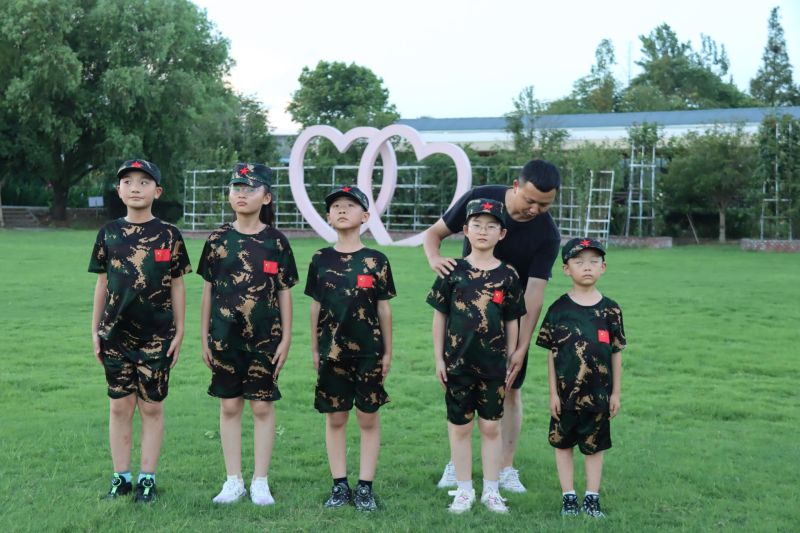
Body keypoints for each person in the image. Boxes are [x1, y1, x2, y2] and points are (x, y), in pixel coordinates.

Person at [423, 159, 561, 492]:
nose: (535, 209)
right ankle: (457, 465)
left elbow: (534, 295)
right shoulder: (480, 198)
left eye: (545, 205)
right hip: (465, 318)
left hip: (509, 321)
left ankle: (505, 467)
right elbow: (434, 234)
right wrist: (434, 259)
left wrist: (521, 348)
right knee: (458, 391)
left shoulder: (547, 234)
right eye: (530, 200)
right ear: (516, 186)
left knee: (510, 390)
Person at [89, 159, 191, 503]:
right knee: (119, 407)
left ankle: (148, 479)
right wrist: (95, 330)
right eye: (128, 181)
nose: (135, 187)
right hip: (115, 335)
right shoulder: (108, 233)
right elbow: (102, 284)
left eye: (144, 182)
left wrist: (179, 331)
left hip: (157, 336)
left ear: (157, 192)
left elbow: (177, 284)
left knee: (151, 407)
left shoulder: (169, 234)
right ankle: (121, 478)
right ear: (119, 190)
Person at [197, 163, 297, 505]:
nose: (241, 194)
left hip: (266, 338)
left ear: (266, 197)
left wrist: (286, 338)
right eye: (236, 187)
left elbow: (284, 292)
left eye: (250, 188)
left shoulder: (276, 242)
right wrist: (203, 337)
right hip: (225, 336)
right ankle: (233, 480)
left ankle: (260, 481)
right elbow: (208, 291)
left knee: (262, 407)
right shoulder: (217, 240)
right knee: (229, 406)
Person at [427, 199, 525, 513]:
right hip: (457, 363)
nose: (483, 231)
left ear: (502, 233)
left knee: (491, 427)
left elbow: (512, 319)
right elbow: (440, 316)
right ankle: (464, 490)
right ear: (466, 230)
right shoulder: (452, 270)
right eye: (477, 225)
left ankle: (492, 491)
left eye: (491, 226)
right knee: (460, 427)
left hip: (493, 366)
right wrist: (439, 359)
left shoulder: (508, 275)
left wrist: (511, 356)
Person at [304, 185, 395, 512]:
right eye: (336, 206)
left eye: (350, 205)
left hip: (369, 353)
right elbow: (315, 306)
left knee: (368, 418)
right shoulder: (320, 259)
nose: (342, 210)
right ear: (329, 217)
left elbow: (384, 309)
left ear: (365, 216)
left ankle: (365, 487)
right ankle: (340, 485)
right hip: (332, 353)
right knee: (336, 418)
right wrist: (314, 348)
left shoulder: (376, 261)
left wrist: (388, 351)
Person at [535, 238, 626, 518]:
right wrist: (553, 393)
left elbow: (616, 353)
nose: (587, 267)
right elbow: (552, 355)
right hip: (565, 396)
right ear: (566, 269)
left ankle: (592, 499)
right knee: (563, 445)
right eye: (579, 262)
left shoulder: (611, 310)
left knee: (594, 448)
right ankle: (569, 498)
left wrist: (616, 393)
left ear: (603, 267)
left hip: (599, 395)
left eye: (594, 261)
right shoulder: (558, 310)